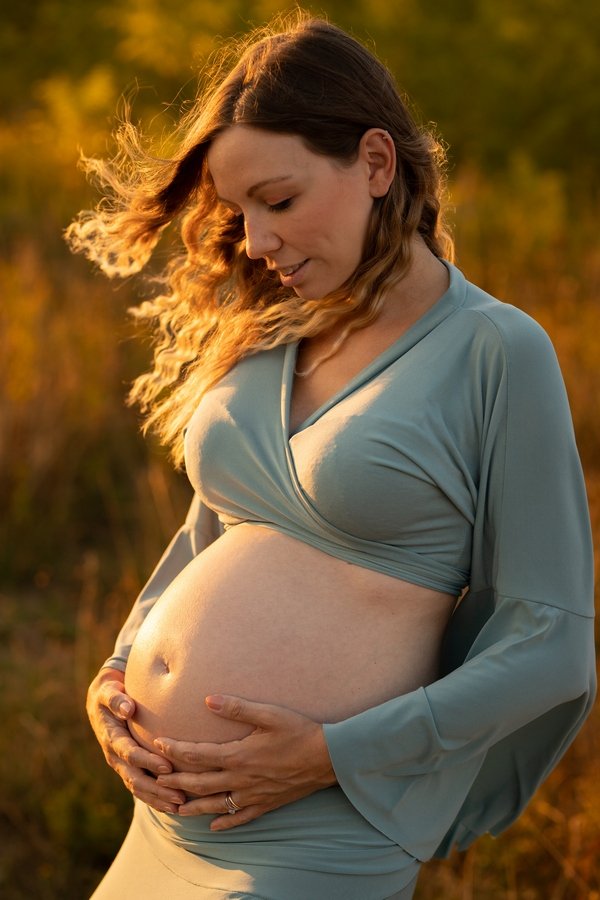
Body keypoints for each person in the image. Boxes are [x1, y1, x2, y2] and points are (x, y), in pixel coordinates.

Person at [67, 12, 596, 900]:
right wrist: (120, 671)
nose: (260, 242)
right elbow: (212, 535)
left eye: (279, 201)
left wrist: (331, 755)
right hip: (159, 818)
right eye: (240, 213)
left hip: (314, 825)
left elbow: (554, 646)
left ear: (377, 165)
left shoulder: (496, 350)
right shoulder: (273, 332)